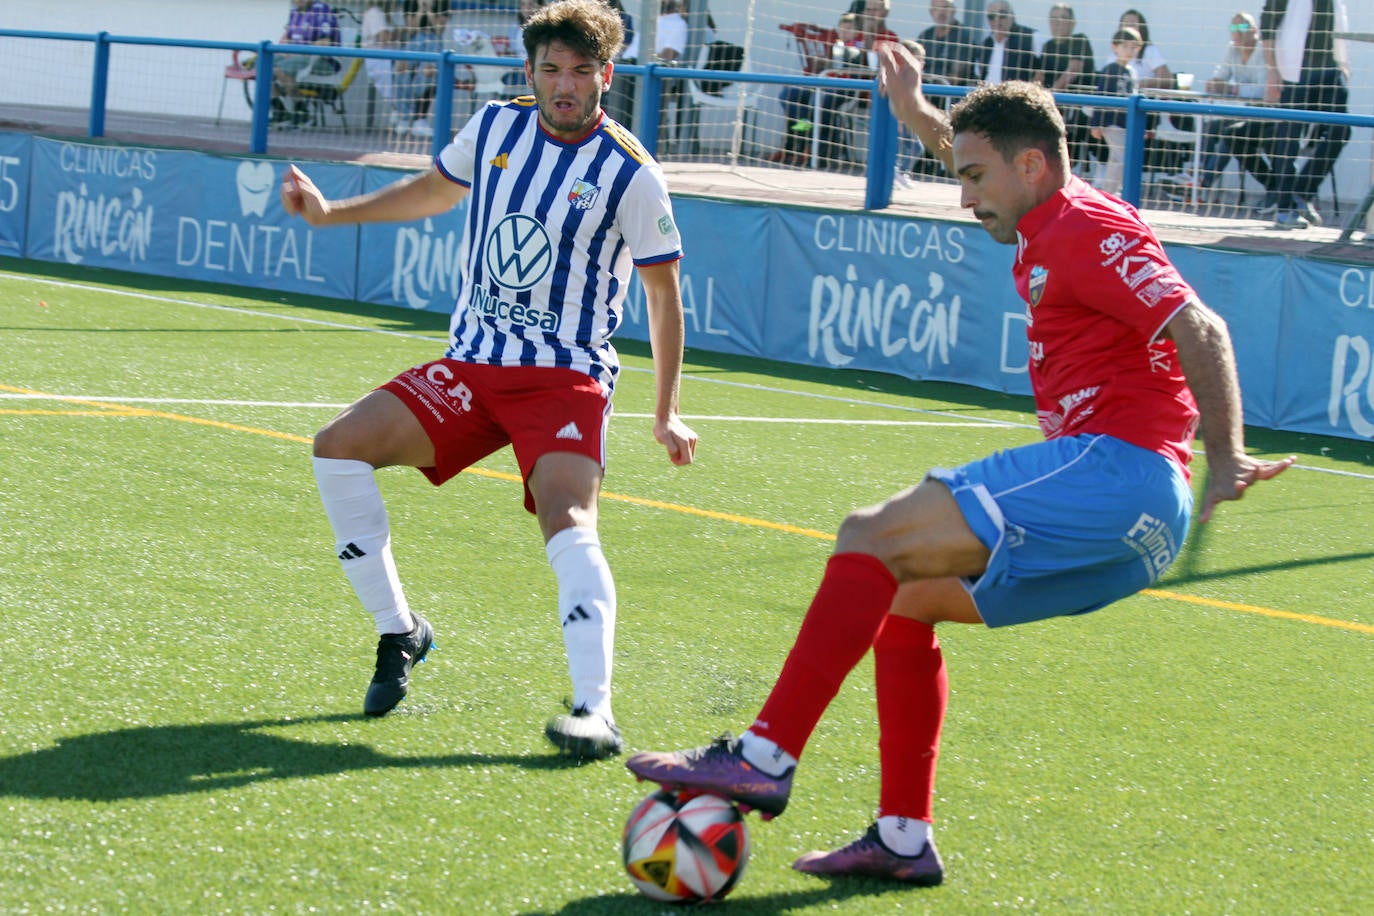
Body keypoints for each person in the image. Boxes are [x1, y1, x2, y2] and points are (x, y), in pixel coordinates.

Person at [625, 43, 1293, 886]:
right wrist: (914, 116)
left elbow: (1202, 328)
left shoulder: (1086, 228)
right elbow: (979, 154)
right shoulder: (1047, 207)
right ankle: (904, 836)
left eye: (974, 177)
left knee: (869, 534)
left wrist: (1226, 457)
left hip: (1117, 472)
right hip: (1135, 535)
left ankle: (764, 754)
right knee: (902, 603)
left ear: (1031, 165)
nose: (961, 191)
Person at [279, 0, 697, 760]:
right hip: (472, 367)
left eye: (580, 71)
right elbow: (435, 191)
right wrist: (331, 213)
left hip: (562, 379)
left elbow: (663, 298)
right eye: (550, 70)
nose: (564, 86)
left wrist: (666, 412)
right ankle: (400, 632)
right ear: (530, 71)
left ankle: (594, 712)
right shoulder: (498, 128)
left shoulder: (631, 173)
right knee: (337, 448)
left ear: (606, 74)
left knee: (569, 523)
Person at [1259, 0, 1351, 229]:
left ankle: (1302, 192)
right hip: (1295, 72)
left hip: (1329, 71)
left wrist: (1343, 64)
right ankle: (1284, 208)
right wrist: (1273, 69)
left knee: (1342, 129)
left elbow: (1338, 27)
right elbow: (1267, 23)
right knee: (1289, 137)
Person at [1186, 12, 1273, 199]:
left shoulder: (1264, 51)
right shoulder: (1232, 49)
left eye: (1242, 28)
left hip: (1267, 117)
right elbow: (1221, 74)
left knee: (1229, 136)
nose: (1237, 33)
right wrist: (1215, 82)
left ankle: (1204, 183)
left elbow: (1262, 91)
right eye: (1233, 28)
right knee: (1211, 127)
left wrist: (1232, 89)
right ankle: (1197, 173)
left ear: (1254, 30)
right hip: (1243, 113)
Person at [1038, 4, 1098, 173]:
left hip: (1077, 107)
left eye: (1062, 18)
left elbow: (1072, 71)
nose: (1057, 23)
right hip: (1052, 104)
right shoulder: (1048, 46)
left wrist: (1049, 96)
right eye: (1054, 19)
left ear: (1072, 22)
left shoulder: (1079, 41)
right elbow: (1040, 75)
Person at [272, 0, 343, 127]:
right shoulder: (294, 12)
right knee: (263, 66)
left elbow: (325, 42)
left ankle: (302, 112)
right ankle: (279, 111)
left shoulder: (322, 10)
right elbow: (288, 39)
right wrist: (284, 52)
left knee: (280, 69)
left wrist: (300, 51)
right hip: (296, 57)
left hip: (323, 60)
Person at [1090, 26, 1141, 197]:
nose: (1129, 51)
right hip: (1112, 122)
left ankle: (1109, 192)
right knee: (1122, 158)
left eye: (1134, 47)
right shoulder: (1110, 70)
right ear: (1115, 47)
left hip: (1126, 123)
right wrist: (1096, 123)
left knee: (1116, 158)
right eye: (1125, 46)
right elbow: (1101, 96)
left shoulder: (1131, 72)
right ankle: (1112, 194)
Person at [391, 0, 446, 138]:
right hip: (415, 40)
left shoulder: (443, 3)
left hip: (433, 41)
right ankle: (404, 116)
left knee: (427, 72)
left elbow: (439, 29)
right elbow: (411, 29)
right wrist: (421, 8)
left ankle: (418, 119)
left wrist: (429, 10)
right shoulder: (411, 3)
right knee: (400, 68)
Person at [917, 0, 979, 88]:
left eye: (945, 7)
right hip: (925, 90)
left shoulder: (964, 38)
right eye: (937, 9)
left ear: (954, 10)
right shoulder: (925, 36)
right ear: (931, 12)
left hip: (951, 94)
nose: (941, 12)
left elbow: (956, 77)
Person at [361, 2, 403, 129]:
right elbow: (385, 37)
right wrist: (406, 31)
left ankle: (404, 114)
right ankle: (400, 111)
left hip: (391, 57)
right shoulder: (375, 12)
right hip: (379, 60)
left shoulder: (386, 15)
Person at [977, 2, 1039, 85]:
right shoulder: (985, 44)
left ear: (1012, 16)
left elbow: (1043, 71)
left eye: (1002, 15)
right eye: (991, 17)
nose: (997, 20)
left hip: (1018, 95)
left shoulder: (1031, 37)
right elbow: (978, 75)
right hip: (988, 95)